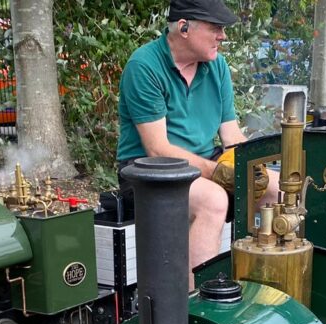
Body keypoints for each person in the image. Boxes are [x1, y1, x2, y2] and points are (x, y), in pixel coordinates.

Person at [117, 0, 277, 275]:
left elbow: (231, 136)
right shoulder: (144, 66)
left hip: (204, 162)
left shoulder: (217, 66)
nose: (223, 36)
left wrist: (250, 167)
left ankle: (259, 286)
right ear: (184, 28)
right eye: (215, 28)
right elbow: (157, 149)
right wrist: (219, 172)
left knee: (277, 187)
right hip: (147, 172)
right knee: (213, 200)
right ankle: (195, 307)